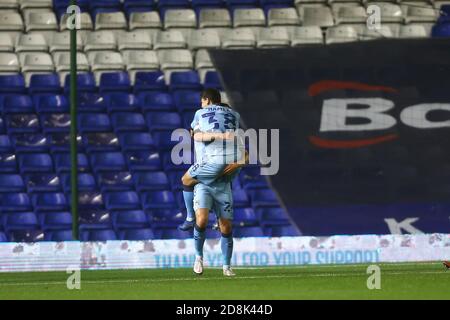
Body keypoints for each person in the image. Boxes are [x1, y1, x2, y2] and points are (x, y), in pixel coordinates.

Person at [178, 89, 245, 231]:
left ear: (207, 100)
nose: (201, 104)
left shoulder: (200, 115)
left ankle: (190, 218)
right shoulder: (233, 117)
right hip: (228, 161)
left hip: (209, 161)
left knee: (186, 181)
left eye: (202, 101)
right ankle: (217, 219)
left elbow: (194, 133)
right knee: (219, 186)